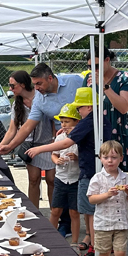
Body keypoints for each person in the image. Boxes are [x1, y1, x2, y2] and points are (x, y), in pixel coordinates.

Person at [26, 87, 111, 256]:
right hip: (89, 170)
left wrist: (40, 149)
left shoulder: (89, 121)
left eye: (79, 107)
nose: (78, 111)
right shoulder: (96, 119)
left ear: (89, 107)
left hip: (89, 171)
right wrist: (67, 129)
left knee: (91, 212)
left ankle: (96, 249)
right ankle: (93, 244)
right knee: (89, 212)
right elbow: (71, 133)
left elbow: (67, 142)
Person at [0, 64, 84, 208]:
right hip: (50, 142)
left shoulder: (73, 80)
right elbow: (25, 127)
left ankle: (64, 215)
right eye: (34, 84)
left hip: (65, 139)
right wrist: (8, 146)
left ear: (50, 78)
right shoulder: (37, 100)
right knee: (39, 179)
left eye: (39, 83)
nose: (36, 88)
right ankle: (47, 214)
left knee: (58, 180)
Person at [84, 46, 128, 172]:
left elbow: (124, 107)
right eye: (90, 67)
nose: (93, 70)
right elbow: (82, 106)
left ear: (107, 60)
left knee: (116, 174)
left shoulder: (124, 77)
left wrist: (104, 87)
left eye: (96, 65)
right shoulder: (89, 78)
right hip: (94, 130)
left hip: (115, 129)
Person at [48, 103, 81, 246]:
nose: (64, 125)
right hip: (61, 178)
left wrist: (76, 158)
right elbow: (54, 154)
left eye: (67, 121)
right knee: (55, 210)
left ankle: (74, 241)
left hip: (75, 179)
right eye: (62, 122)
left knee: (74, 212)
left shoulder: (81, 138)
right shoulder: (60, 138)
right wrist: (57, 160)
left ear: (77, 122)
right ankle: (51, 238)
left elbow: (87, 156)